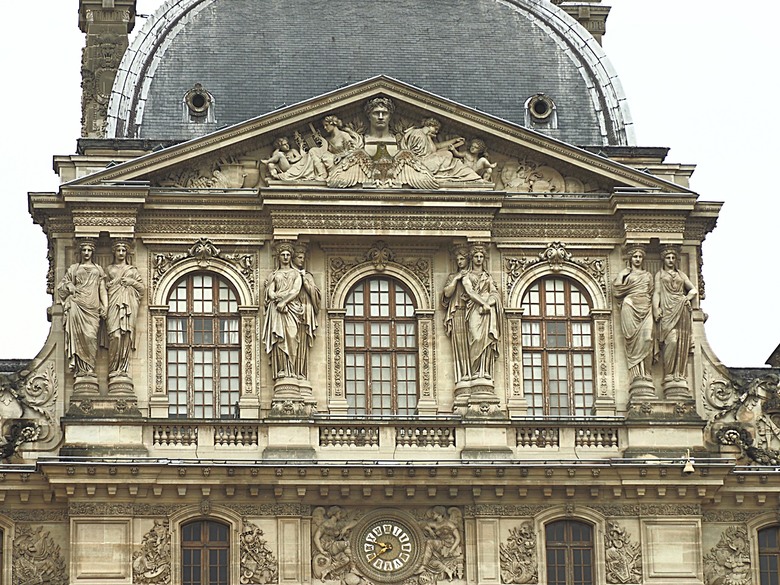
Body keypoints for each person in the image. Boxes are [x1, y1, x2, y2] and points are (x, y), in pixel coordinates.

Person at [58, 239, 107, 378]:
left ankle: (89, 366)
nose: (86, 253)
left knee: (91, 336)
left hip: (93, 307)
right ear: (80, 252)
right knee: (79, 336)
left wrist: (105, 306)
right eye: (84, 250)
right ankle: (82, 369)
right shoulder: (74, 268)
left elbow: (102, 289)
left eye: (89, 250)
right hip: (77, 304)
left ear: (93, 252)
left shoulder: (98, 269)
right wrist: (69, 285)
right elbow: (62, 287)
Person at [653, 246, 697, 383]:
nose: (671, 260)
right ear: (663, 259)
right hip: (666, 309)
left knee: (680, 342)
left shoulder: (681, 275)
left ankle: (678, 373)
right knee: (671, 341)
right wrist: (655, 308)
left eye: (673, 258)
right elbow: (657, 292)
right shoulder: (659, 275)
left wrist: (686, 298)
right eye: (668, 258)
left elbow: (693, 290)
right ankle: (668, 373)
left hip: (681, 308)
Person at [612, 245, 654, 381]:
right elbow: (617, 290)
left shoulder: (648, 275)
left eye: (640, 257)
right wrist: (620, 275)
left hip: (646, 307)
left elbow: (652, 292)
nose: (637, 259)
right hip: (629, 306)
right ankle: (637, 375)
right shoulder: (626, 275)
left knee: (648, 339)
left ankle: (646, 374)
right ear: (630, 258)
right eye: (635, 256)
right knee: (632, 342)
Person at [103, 240, 145, 377]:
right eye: (118, 250)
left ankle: (122, 368)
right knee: (114, 336)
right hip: (113, 304)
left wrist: (131, 282)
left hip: (128, 306)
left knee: (126, 336)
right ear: (114, 252)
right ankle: (112, 368)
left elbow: (142, 289)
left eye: (123, 250)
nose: (121, 253)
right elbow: (102, 289)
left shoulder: (132, 271)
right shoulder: (108, 270)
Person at [262, 242, 304, 379]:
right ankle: (282, 369)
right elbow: (270, 291)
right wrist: (276, 298)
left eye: (288, 255)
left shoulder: (296, 274)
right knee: (279, 338)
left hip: (290, 308)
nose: (285, 257)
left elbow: (296, 290)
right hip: (277, 309)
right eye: (283, 255)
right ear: (279, 257)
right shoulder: (275, 275)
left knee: (292, 337)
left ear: (291, 257)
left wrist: (284, 301)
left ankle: (291, 370)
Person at [462, 244, 502, 380]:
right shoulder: (466, 276)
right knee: (476, 337)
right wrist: (483, 303)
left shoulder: (487, 277)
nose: (479, 259)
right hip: (475, 308)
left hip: (487, 311)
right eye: (476, 256)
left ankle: (484, 370)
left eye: (481, 256)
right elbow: (470, 292)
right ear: (472, 258)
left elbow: (495, 293)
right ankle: (475, 370)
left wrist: (489, 303)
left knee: (487, 340)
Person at [400, 118, 483, 182]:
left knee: (449, 155)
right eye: (435, 129)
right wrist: (429, 137)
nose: (436, 132)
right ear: (430, 125)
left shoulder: (424, 135)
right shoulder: (419, 135)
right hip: (421, 164)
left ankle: (468, 175)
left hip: (426, 160)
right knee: (449, 155)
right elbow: (428, 153)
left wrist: (454, 141)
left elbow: (437, 147)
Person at [442, 245, 472, 383]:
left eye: (462, 259)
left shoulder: (474, 276)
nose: (459, 262)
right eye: (458, 259)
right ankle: (463, 375)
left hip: (472, 313)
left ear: (467, 260)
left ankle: (472, 373)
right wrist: (456, 279)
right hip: (458, 312)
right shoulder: (452, 276)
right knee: (460, 345)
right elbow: (447, 293)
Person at [292, 244, 321, 379]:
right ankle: (291, 371)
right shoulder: (289, 274)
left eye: (303, 258)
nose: (301, 260)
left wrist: (305, 281)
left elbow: (315, 294)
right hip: (292, 311)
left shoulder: (307, 276)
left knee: (302, 343)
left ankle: (300, 372)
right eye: (299, 257)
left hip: (305, 309)